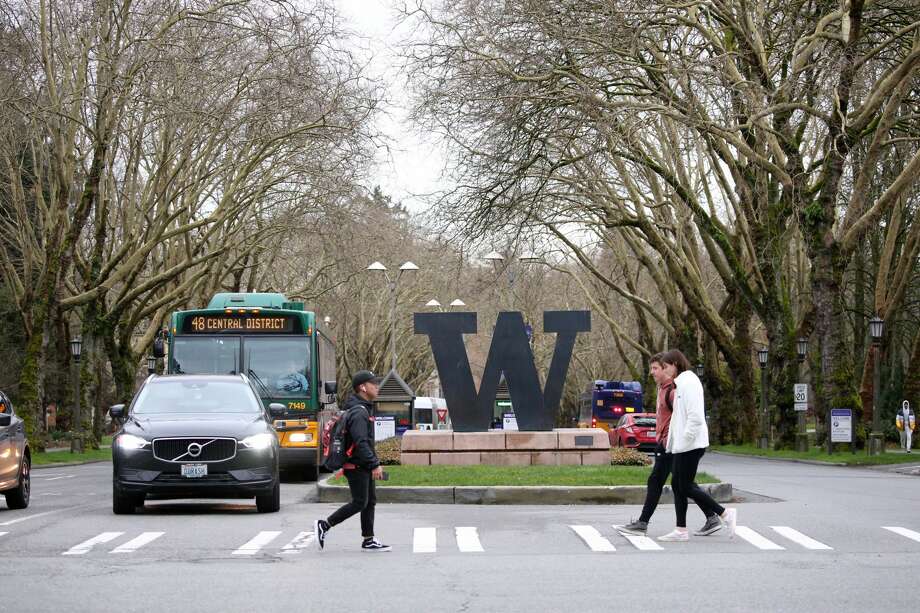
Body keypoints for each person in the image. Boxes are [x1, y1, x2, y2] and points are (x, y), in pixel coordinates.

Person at [618, 353, 723, 537]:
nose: (653, 372)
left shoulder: (674, 391)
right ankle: (709, 516)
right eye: (652, 368)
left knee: (659, 481)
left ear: (669, 369)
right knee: (682, 484)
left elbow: (687, 416)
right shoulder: (663, 389)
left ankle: (643, 523)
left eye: (657, 368)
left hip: (671, 445)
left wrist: (677, 440)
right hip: (668, 443)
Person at [658, 349, 737, 542]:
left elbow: (695, 418)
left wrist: (683, 442)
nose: (664, 370)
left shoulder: (689, 382)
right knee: (677, 485)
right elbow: (678, 418)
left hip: (691, 445)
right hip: (682, 445)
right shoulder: (681, 383)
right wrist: (672, 444)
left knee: (684, 486)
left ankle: (724, 513)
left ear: (676, 364)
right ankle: (681, 529)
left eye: (666, 366)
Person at [314, 370, 390, 552]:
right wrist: (374, 464)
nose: (377, 387)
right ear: (363, 387)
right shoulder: (359, 412)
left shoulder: (361, 409)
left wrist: (372, 463)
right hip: (356, 466)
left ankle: (368, 539)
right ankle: (325, 525)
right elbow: (360, 442)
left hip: (361, 465)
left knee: (369, 501)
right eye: (374, 384)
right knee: (360, 502)